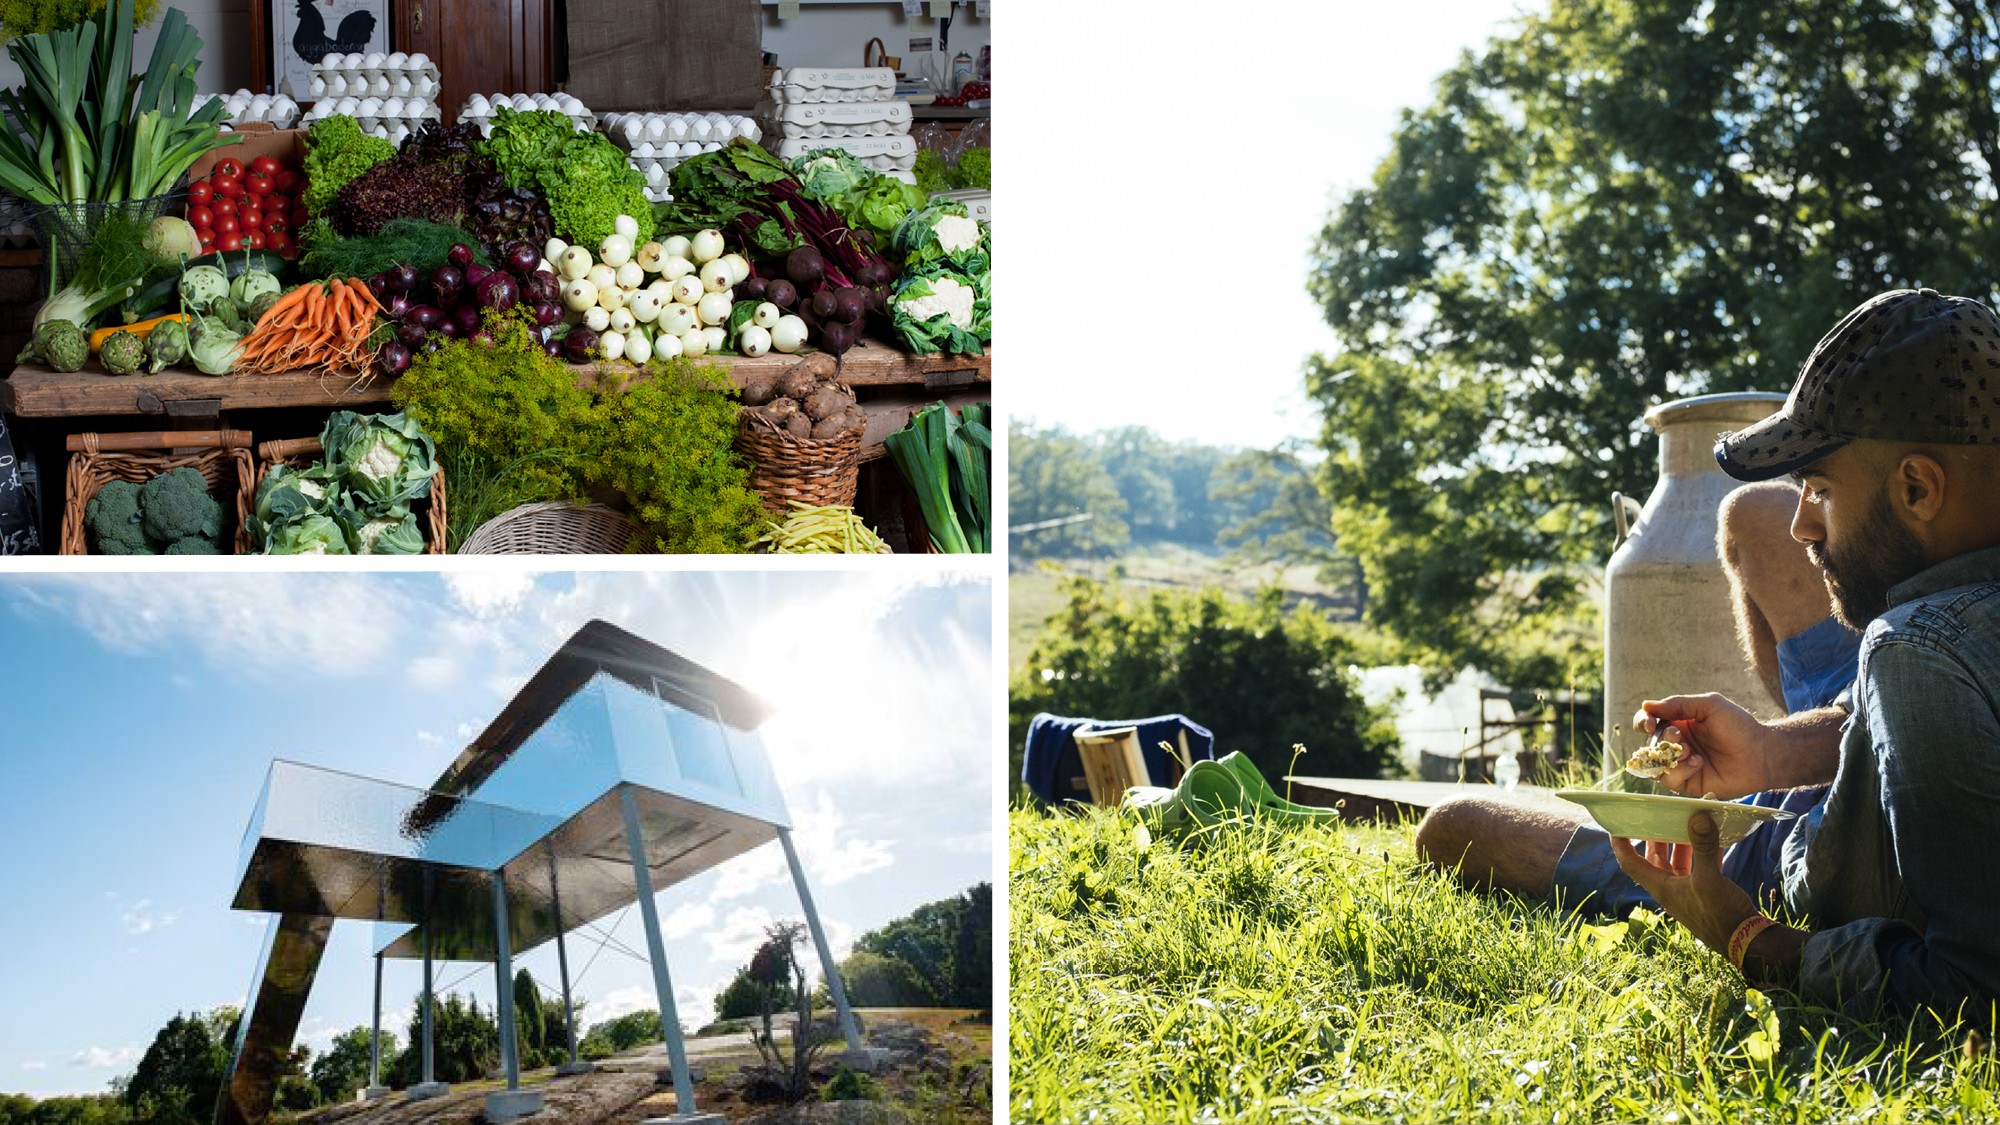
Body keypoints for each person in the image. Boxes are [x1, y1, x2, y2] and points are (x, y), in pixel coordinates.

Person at [1415, 288, 2000, 1019]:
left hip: (1796, 856)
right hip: (1848, 779)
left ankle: (1615, 820)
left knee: (1454, 824)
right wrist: (1765, 750)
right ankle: (1681, 790)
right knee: (1745, 513)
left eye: (1818, 488)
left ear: (1917, 485)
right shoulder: (1931, 643)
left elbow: (1974, 991)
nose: (1801, 525)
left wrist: (1736, 928)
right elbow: (1891, 719)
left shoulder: (1913, 649)